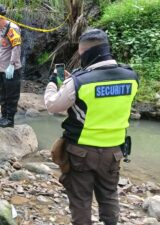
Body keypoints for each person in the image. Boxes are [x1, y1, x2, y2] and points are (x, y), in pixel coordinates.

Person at [44, 29, 139, 225]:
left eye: (81, 54)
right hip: (114, 152)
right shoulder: (132, 77)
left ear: (87, 54)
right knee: (109, 196)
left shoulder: (79, 82)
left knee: (80, 201)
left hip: (81, 153)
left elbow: (53, 105)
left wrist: (54, 83)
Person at [0, 5, 22, 128]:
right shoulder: (0, 29)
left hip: (11, 69)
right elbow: (0, 48)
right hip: (1, 68)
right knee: (3, 94)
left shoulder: (12, 28)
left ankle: (9, 119)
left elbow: (16, 47)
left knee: (11, 96)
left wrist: (12, 64)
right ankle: (3, 116)